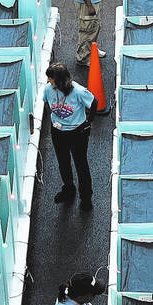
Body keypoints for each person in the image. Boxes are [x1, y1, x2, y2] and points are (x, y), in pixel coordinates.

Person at [43, 63, 96, 211]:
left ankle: (86, 198)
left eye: (50, 78)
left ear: (59, 80)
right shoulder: (48, 89)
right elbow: (46, 102)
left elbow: (94, 103)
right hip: (58, 132)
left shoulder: (78, 91)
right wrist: (54, 119)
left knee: (81, 165)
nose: (48, 81)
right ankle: (68, 189)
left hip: (77, 133)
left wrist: (88, 122)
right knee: (63, 162)